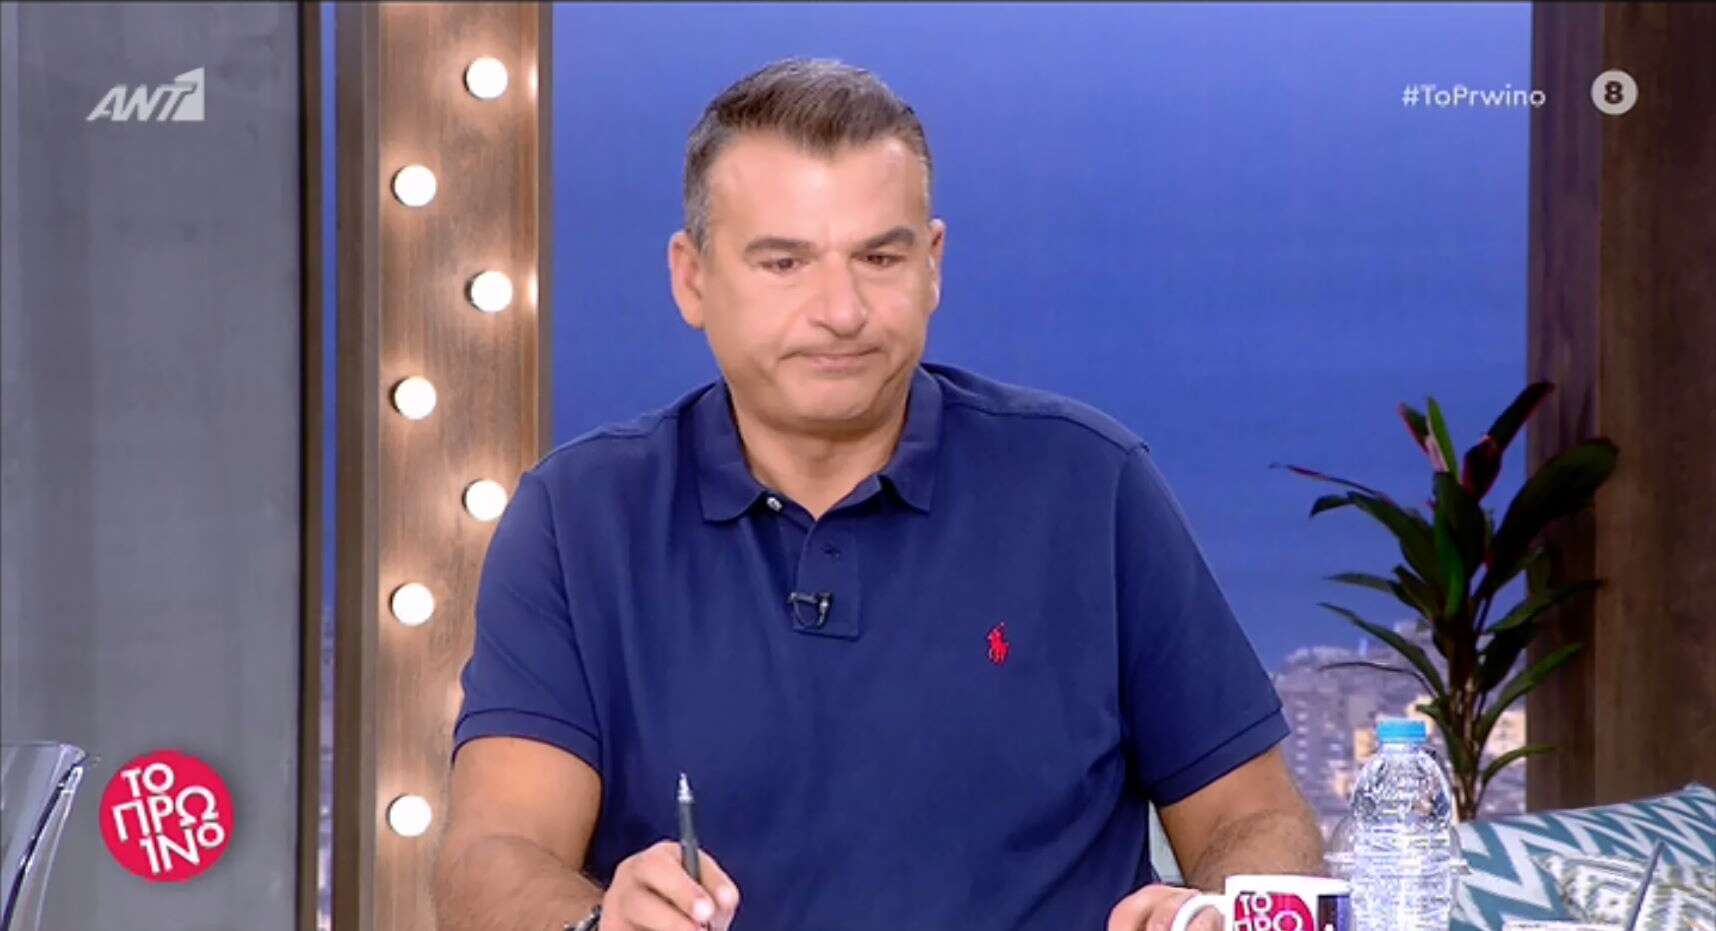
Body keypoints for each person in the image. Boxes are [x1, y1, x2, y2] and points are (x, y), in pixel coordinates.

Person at [431, 57, 1322, 931]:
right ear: (691, 278)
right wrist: (597, 924)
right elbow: (493, 854)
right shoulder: (580, 518)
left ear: (932, 264)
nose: (842, 310)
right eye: (785, 262)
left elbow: (1255, 815)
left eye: (879, 257)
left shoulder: (1091, 486)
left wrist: (1219, 913)